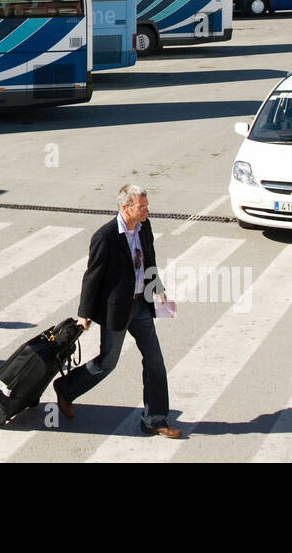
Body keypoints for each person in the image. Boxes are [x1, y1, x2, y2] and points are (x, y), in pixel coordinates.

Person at [53, 183, 181, 438]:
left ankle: (154, 420)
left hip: (140, 306)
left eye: (146, 205)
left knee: (155, 361)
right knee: (107, 363)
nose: (146, 210)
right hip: (117, 310)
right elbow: (92, 276)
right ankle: (66, 389)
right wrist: (85, 314)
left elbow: (149, 259)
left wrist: (157, 288)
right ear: (125, 208)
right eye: (141, 206)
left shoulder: (144, 227)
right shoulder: (106, 236)